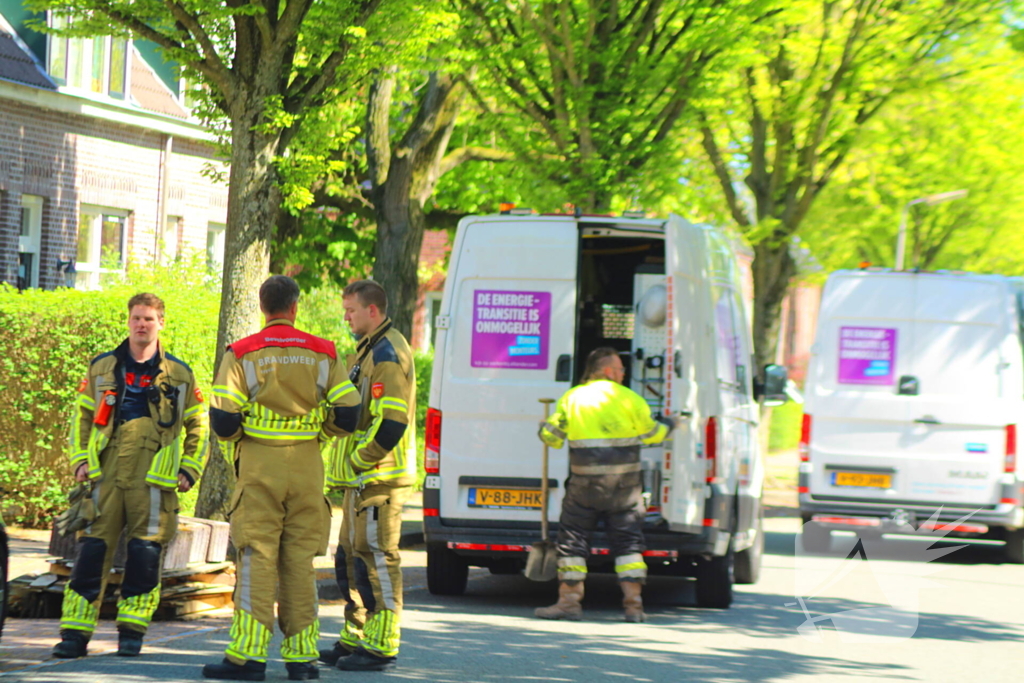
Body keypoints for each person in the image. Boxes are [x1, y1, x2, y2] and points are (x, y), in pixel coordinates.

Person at [202, 276, 362, 682]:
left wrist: (246, 435)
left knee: (256, 557)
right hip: (308, 466)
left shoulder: (242, 353)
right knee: (299, 562)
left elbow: (223, 421)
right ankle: (302, 660)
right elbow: (349, 414)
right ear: (294, 308)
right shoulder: (323, 352)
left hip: (259, 466)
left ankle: (249, 658)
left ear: (263, 307)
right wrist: (319, 434)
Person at [53, 293, 209, 659]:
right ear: (128, 321)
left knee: (144, 555)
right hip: (104, 476)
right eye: (137, 318)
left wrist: (189, 468)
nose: (142, 325)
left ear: (161, 323)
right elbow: (82, 418)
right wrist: (79, 460)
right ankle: (74, 635)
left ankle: (132, 634)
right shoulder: (102, 367)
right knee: (91, 553)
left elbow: (199, 426)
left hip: (154, 482)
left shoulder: (180, 375)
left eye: (149, 319)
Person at [536, 347, 674, 623]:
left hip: (584, 486)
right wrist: (669, 424)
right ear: (609, 371)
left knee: (573, 544)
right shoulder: (631, 399)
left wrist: (543, 427)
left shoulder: (573, 398)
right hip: (624, 488)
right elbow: (651, 435)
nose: (623, 373)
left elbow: (552, 438)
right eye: (621, 369)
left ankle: (569, 603)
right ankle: (634, 607)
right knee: (628, 545)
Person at [320, 279, 416, 673]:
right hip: (359, 481)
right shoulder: (371, 349)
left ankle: (382, 644)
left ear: (371, 310)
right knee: (349, 560)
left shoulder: (388, 354)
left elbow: (391, 421)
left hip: (379, 479)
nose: (346, 316)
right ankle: (355, 635)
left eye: (351, 310)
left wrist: (361, 461)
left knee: (376, 561)